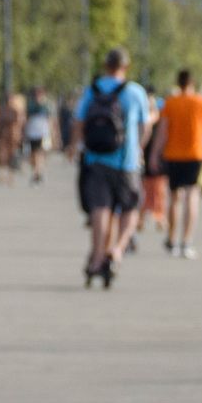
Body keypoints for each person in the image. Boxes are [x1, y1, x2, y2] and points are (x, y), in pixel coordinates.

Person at [71, 48, 150, 288]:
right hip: (126, 162)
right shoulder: (135, 92)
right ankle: (116, 250)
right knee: (130, 208)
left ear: (105, 66)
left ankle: (96, 258)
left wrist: (76, 147)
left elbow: (78, 121)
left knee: (100, 208)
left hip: (95, 160)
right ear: (125, 66)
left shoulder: (92, 91)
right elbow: (144, 127)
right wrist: (139, 150)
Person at [159, 69, 202, 260]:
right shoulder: (201, 102)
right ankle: (186, 242)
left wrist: (157, 152)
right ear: (192, 82)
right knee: (192, 196)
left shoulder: (170, 103)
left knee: (174, 198)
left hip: (173, 153)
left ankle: (171, 240)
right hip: (195, 153)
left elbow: (163, 130)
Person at [139, 93, 171, 253]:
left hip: (157, 158)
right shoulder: (145, 119)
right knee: (146, 189)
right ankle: (144, 217)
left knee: (158, 189)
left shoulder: (157, 120)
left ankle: (159, 217)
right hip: (146, 158)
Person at [23, 87, 53, 184]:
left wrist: (52, 133)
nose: (39, 97)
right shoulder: (30, 106)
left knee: (40, 153)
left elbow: (50, 120)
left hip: (43, 133)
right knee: (33, 154)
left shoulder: (47, 106)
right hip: (32, 133)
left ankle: (38, 172)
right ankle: (36, 171)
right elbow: (26, 119)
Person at [0, 92, 23, 185]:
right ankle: (1, 175)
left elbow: (17, 124)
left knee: (12, 156)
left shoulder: (14, 111)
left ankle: (10, 176)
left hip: (12, 136)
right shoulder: (1, 110)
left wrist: (17, 135)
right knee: (2, 156)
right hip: (3, 136)